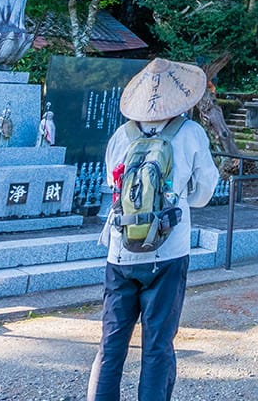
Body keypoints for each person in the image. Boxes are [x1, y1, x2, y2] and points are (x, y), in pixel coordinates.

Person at [89, 58, 220, 401]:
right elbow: (205, 191)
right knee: (158, 344)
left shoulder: (121, 136)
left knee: (111, 344)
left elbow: (111, 185)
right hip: (169, 250)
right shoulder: (190, 133)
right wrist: (178, 199)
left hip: (120, 250)